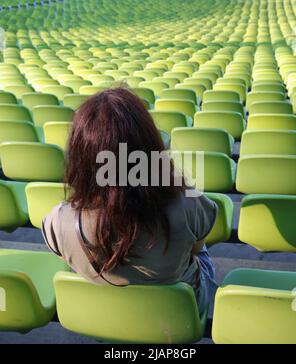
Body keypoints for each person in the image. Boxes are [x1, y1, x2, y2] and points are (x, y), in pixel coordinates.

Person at [42, 87, 218, 314]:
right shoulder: (188, 202)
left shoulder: (58, 219)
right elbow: (197, 249)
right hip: (177, 313)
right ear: (150, 145)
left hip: (102, 313)